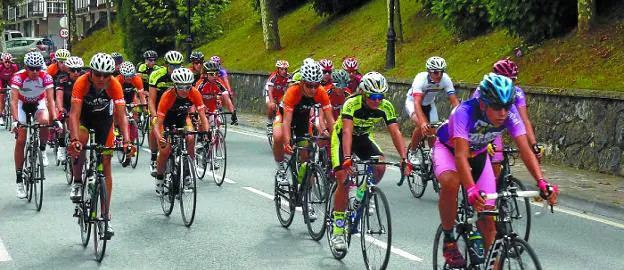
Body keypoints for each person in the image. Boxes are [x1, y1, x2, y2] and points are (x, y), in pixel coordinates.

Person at [433, 73, 559, 268]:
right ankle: (449, 238)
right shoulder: (464, 112)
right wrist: (471, 190)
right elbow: (460, 155)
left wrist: (542, 182)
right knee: (451, 182)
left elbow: (525, 150)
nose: (503, 113)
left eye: (507, 107)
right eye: (497, 107)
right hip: (450, 150)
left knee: (489, 225)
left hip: (480, 154)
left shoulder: (509, 114)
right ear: (483, 104)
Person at [328, 72, 411, 251]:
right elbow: (347, 132)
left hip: (364, 137)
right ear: (364, 94)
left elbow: (395, 133)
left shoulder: (385, 107)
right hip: (343, 137)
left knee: (380, 166)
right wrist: (348, 158)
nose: (377, 100)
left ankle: (361, 195)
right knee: (343, 179)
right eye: (373, 96)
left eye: (380, 96)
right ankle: (337, 230)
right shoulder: (351, 103)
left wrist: (405, 158)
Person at [67, 53, 135, 238]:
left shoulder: (114, 84)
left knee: (106, 164)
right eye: (98, 74)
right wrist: (73, 140)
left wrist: (128, 141)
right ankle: (78, 182)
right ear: (91, 72)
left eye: (107, 75)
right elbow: (73, 114)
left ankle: (105, 217)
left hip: (104, 122)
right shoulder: (81, 82)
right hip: (84, 120)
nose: (102, 79)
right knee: (80, 140)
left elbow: (121, 116)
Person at [272, 61, 335, 186]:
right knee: (278, 137)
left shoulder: (321, 92)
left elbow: (330, 120)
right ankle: (280, 169)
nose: (313, 90)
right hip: (284, 116)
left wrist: (335, 140)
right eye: (309, 85)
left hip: (302, 119)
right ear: (302, 82)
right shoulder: (293, 91)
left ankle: (305, 188)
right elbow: (287, 121)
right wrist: (286, 141)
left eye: (316, 85)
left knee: (305, 152)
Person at [476, 59, 542, 177]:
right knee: (494, 164)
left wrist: (534, 144)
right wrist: (485, 142)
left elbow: (524, 120)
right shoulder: (484, 91)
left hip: (505, 123)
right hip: (485, 127)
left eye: (513, 80)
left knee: (531, 154)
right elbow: (478, 120)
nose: (510, 83)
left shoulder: (517, 92)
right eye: (507, 79)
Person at [10, 52, 60, 198]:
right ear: (26, 67)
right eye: (31, 68)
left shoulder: (46, 77)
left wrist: (55, 119)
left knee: (44, 122)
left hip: (38, 102)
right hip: (21, 104)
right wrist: (15, 120)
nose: (35, 72)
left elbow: (51, 101)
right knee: (21, 140)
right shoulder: (18, 77)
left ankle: (42, 150)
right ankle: (19, 179)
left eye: (37, 68)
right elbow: (13, 101)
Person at [153, 68, 209, 195]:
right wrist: (159, 137)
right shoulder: (167, 96)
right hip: (166, 121)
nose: (185, 90)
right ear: (174, 85)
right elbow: (157, 124)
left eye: (188, 87)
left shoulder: (194, 93)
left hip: (183, 118)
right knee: (165, 150)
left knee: (190, 138)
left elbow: (203, 116)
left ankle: (187, 172)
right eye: (181, 87)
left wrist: (206, 133)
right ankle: (160, 178)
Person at [405, 56, 459, 165]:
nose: (439, 75)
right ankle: (412, 151)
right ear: (429, 71)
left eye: (441, 72)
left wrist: (460, 116)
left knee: (434, 130)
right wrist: (423, 122)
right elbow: (417, 102)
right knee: (422, 126)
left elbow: (454, 101)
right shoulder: (420, 79)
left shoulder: (445, 79)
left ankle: (433, 153)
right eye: (435, 72)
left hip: (429, 104)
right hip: (413, 103)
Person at [148, 50, 183, 177]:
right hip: (158, 108)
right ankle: (153, 156)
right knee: (154, 127)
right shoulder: (156, 75)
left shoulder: (182, 76)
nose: (175, 69)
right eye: (172, 66)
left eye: (178, 66)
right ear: (166, 65)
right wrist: (154, 115)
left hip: (175, 109)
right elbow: (151, 99)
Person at [54, 56, 84, 163]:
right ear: (68, 70)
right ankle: (61, 147)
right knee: (63, 122)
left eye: (78, 70)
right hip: (66, 104)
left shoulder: (84, 78)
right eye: (73, 70)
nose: (76, 73)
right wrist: (61, 109)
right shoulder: (62, 79)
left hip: (80, 105)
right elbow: (59, 96)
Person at [209, 55, 238, 125]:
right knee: (224, 96)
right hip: (213, 85)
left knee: (224, 96)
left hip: (218, 85)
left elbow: (226, 81)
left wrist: (229, 91)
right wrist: (229, 91)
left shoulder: (222, 71)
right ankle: (232, 114)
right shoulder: (218, 70)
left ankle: (231, 114)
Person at [264, 60, 290, 127]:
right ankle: (269, 122)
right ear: (278, 69)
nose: (284, 71)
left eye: (286, 69)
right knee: (271, 106)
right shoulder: (273, 77)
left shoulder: (289, 77)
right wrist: (272, 102)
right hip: (271, 94)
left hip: (281, 95)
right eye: (282, 69)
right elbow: (270, 91)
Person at [0, 52, 19, 126]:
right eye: (6, 62)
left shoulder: (14, 66)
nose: (7, 63)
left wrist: (15, 87)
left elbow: (16, 77)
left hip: (10, 80)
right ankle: (1, 116)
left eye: (9, 62)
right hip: (1, 80)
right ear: (3, 61)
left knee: (16, 93)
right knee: (1, 97)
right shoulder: (0, 67)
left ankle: (16, 114)